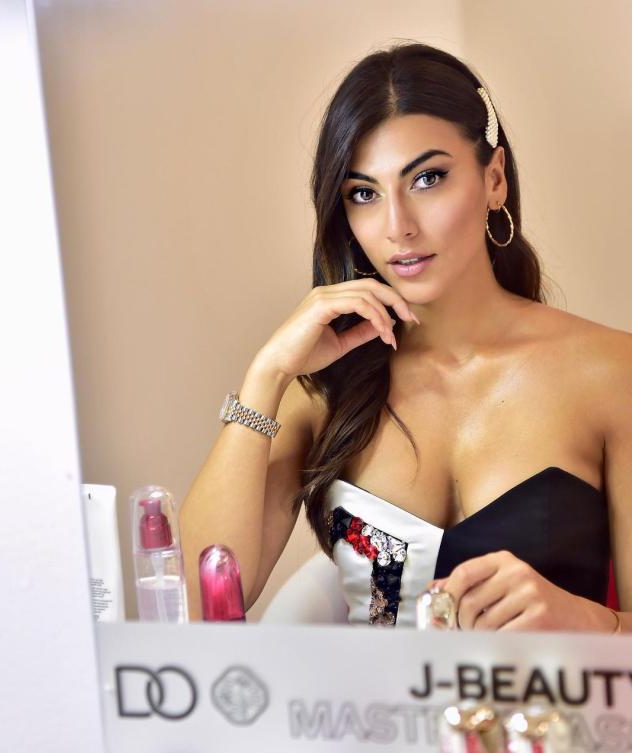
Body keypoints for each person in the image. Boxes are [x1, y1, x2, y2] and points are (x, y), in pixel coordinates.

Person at [179, 42, 630, 632]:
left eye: (427, 179)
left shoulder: (611, 373)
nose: (398, 227)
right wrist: (267, 374)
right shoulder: (322, 392)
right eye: (364, 193)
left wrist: (586, 621)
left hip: (549, 696)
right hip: (367, 696)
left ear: (494, 179)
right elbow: (200, 603)